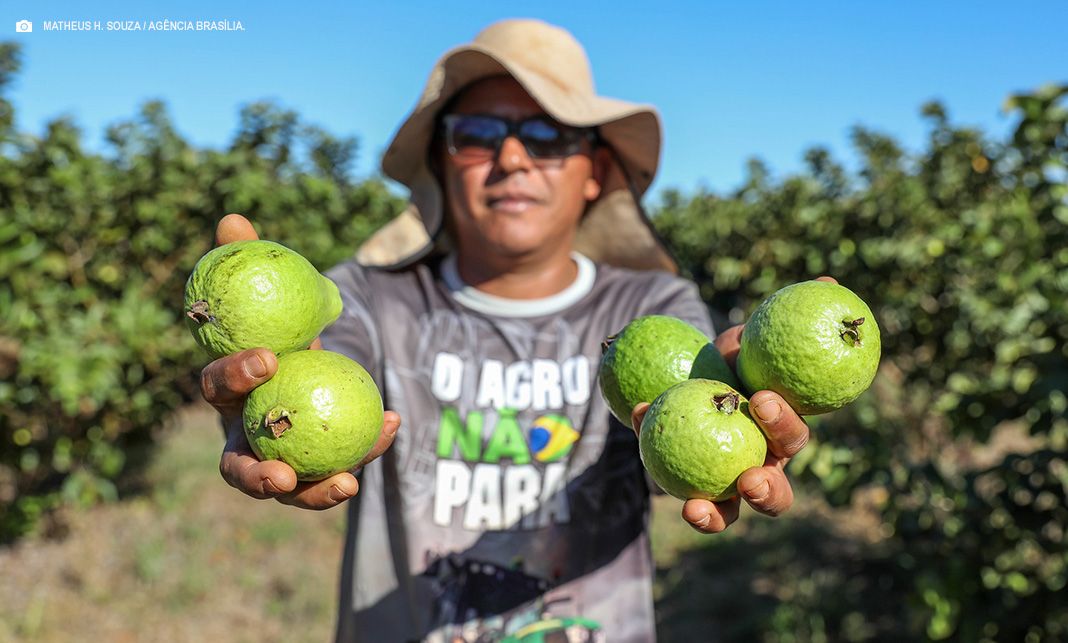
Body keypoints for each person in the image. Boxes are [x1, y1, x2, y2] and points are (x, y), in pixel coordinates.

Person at [201, 19, 811, 643]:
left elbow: (681, 426)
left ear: (595, 170)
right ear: (443, 161)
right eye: (478, 134)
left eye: (547, 135)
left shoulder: (651, 304)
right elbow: (323, 359)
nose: (512, 158)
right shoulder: (370, 297)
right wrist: (264, 398)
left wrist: (739, 435)